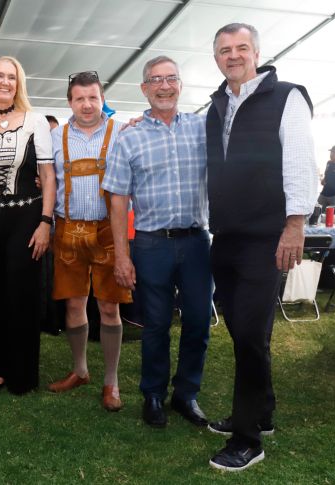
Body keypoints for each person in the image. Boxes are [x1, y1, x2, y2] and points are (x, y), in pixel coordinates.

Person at [205, 23, 318, 471]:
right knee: (245, 330)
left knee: (251, 333)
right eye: (224, 50)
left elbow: (299, 161)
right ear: (216, 58)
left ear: (256, 52)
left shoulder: (287, 96)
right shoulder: (216, 105)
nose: (233, 56)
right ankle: (262, 410)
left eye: (241, 48)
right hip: (226, 235)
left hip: (267, 237)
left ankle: (248, 438)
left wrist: (295, 225)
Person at [103, 56, 212, 430]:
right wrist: (122, 255)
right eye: (156, 80)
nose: (164, 86)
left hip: (197, 242)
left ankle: (186, 394)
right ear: (144, 88)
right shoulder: (128, 136)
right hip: (151, 244)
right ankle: (152, 394)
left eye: (171, 79)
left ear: (180, 84)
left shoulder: (202, 128)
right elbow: (117, 199)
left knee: (199, 321)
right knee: (156, 326)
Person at [0, 56, 56, 394]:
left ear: (19, 84)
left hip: (26, 216)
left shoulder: (35, 121)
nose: (5, 82)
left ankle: (18, 371)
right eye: (0, 76)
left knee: (19, 292)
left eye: (12, 77)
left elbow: (48, 176)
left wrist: (45, 221)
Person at [47, 71, 132, 412]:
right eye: (80, 98)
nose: (86, 104)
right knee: (73, 304)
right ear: (70, 102)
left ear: (102, 99)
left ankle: (111, 381)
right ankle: (80, 370)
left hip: (107, 231)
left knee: (109, 307)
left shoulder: (122, 131)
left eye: (93, 97)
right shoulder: (56, 136)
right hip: (68, 229)